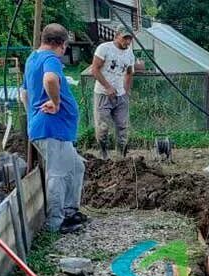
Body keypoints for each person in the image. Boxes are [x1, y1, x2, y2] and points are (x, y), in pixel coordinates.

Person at [23, 23, 87, 234]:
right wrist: (56, 102)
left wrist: (32, 114)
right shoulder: (51, 59)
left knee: (77, 166)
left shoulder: (33, 59)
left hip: (51, 128)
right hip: (52, 128)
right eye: (65, 47)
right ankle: (56, 222)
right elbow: (50, 79)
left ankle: (70, 211)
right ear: (60, 44)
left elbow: (23, 93)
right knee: (57, 175)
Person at [91, 24, 136, 159]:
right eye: (125, 38)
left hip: (121, 96)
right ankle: (104, 153)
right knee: (103, 128)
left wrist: (126, 91)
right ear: (116, 36)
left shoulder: (129, 53)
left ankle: (121, 156)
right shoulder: (104, 49)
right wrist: (108, 87)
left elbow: (129, 73)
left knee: (123, 127)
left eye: (129, 39)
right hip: (103, 94)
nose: (127, 42)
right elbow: (95, 70)